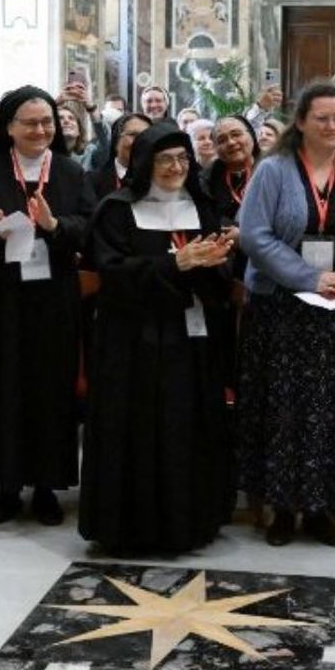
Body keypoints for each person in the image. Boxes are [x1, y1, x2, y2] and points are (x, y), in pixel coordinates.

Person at [236, 83, 335, 547]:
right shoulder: (273, 171)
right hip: (281, 311)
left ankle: (325, 507)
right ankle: (283, 507)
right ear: (300, 121)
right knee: (284, 409)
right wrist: (309, 278)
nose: (332, 126)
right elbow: (255, 236)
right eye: (322, 118)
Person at [80, 121, 236, 552]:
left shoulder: (202, 209)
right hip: (132, 343)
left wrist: (213, 265)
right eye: (165, 159)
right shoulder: (115, 209)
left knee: (185, 427)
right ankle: (129, 527)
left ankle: (189, 522)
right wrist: (176, 265)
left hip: (190, 340)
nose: (175, 168)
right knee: (136, 429)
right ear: (146, 163)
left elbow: (221, 280)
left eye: (182, 159)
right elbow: (110, 274)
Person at [0, 85, 96, 526]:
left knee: (49, 389)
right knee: (2, 388)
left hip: (54, 295)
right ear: (9, 128)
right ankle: (4, 486)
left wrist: (56, 225)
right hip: (1, 295)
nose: (40, 130)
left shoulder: (71, 173)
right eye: (30, 123)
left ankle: (48, 486)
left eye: (47, 122)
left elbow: (91, 227)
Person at [203, 115, 259, 280]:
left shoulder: (276, 170)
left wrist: (244, 235)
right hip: (224, 268)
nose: (231, 142)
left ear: (251, 135)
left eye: (236, 134)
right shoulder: (207, 180)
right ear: (215, 148)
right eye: (222, 140)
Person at [92, 112, 152, 199]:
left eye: (146, 136)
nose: (140, 141)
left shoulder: (160, 180)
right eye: (133, 135)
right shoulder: (92, 181)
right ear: (116, 141)